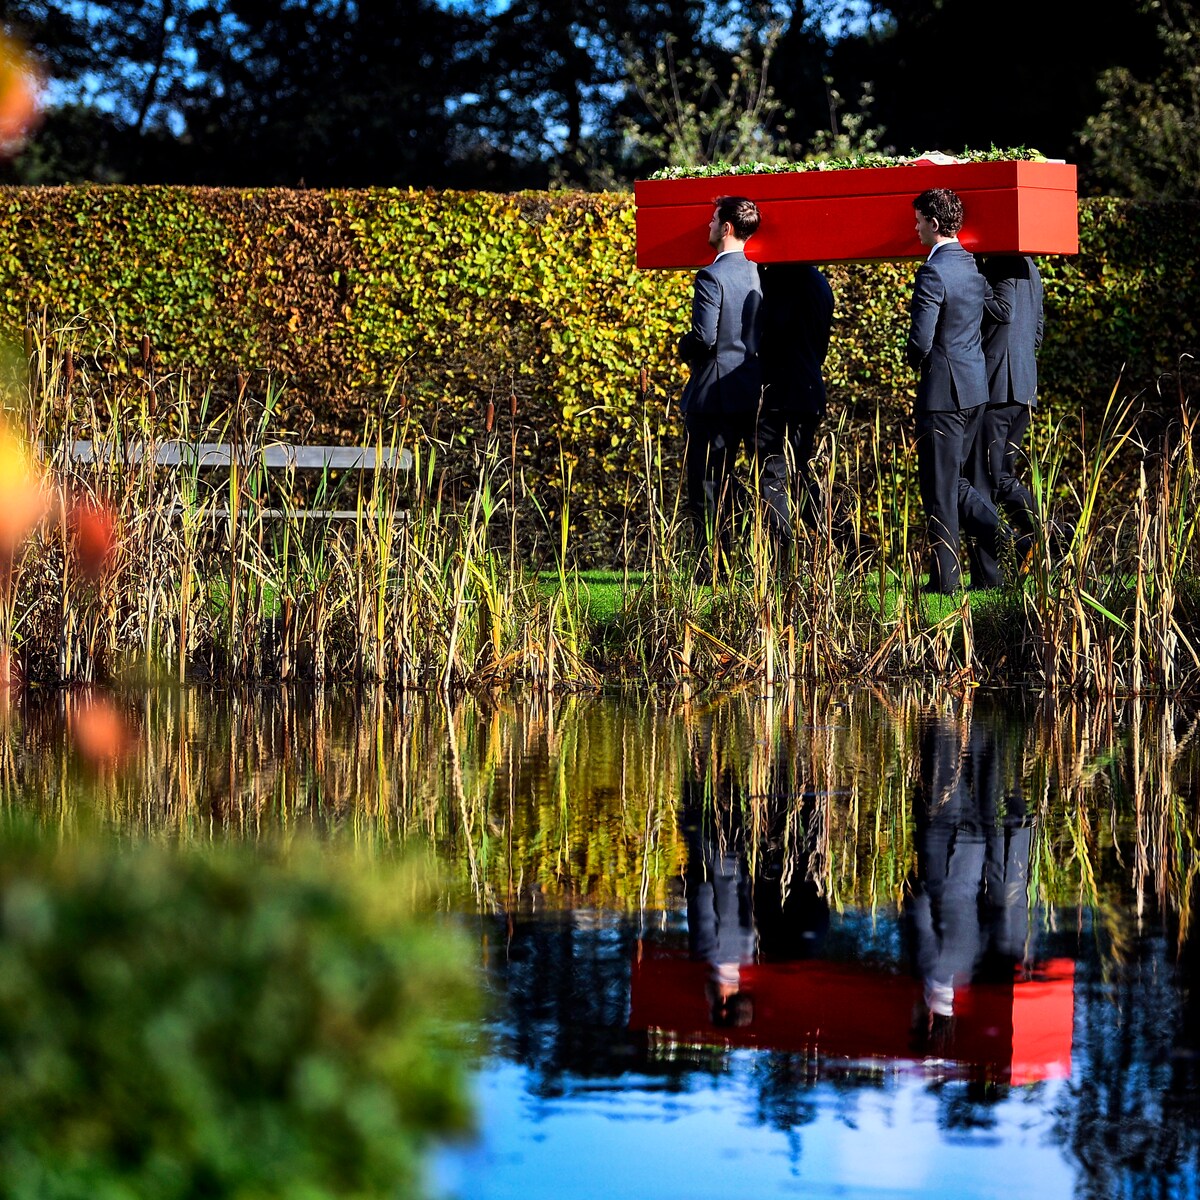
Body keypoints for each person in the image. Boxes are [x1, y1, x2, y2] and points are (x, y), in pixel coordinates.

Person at [905, 188, 1001, 594]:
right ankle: (1005, 539)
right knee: (955, 482)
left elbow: (921, 340)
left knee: (939, 488)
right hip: (975, 390)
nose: (915, 226)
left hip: (942, 394)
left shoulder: (934, 272)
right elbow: (994, 312)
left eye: (919, 219)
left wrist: (913, 358)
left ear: (935, 223)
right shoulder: (973, 269)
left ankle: (948, 580)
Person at [678, 195, 764, 569]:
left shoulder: (712, 275)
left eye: (713, 220)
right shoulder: (759, 272)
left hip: (714, 394)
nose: (708, 226)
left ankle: (710, 565)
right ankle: (746, 558)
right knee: (745, 482)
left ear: (726, 228)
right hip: (751, 389)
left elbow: (704, 338)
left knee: (707, 483)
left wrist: (682, 345)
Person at [967, 254, 1045, 588]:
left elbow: (1004, 310)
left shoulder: (1002, 263)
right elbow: (1037, 329)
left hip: (1000, 387)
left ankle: (991, 576)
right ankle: (1040, 538)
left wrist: (975, 279)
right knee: (999, 477)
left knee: (982, 479)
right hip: (1023, 386)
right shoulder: (1032, 267)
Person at [756, 261, 835, 545]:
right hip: (809, 389)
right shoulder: (820, 283)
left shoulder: (774, 280)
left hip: (778, 391)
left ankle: (779, 558)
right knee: (800, 476)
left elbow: (767, 333)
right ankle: (841, 537)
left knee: (773, 476)